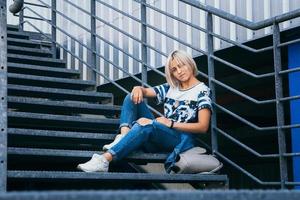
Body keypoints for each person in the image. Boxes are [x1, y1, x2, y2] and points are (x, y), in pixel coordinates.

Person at [77, 50, 213, 173]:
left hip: (178, 139)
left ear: (190, 63)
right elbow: (145, 91)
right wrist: (138, 88)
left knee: (146, 124)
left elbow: (203, 126)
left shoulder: (201, 91)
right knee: (131, 97)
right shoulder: (171, 87)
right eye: (174, 69)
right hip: (162, 132)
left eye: (182, 65)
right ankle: (124, 136)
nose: (179, 71)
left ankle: (104, 160)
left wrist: (170, 123)